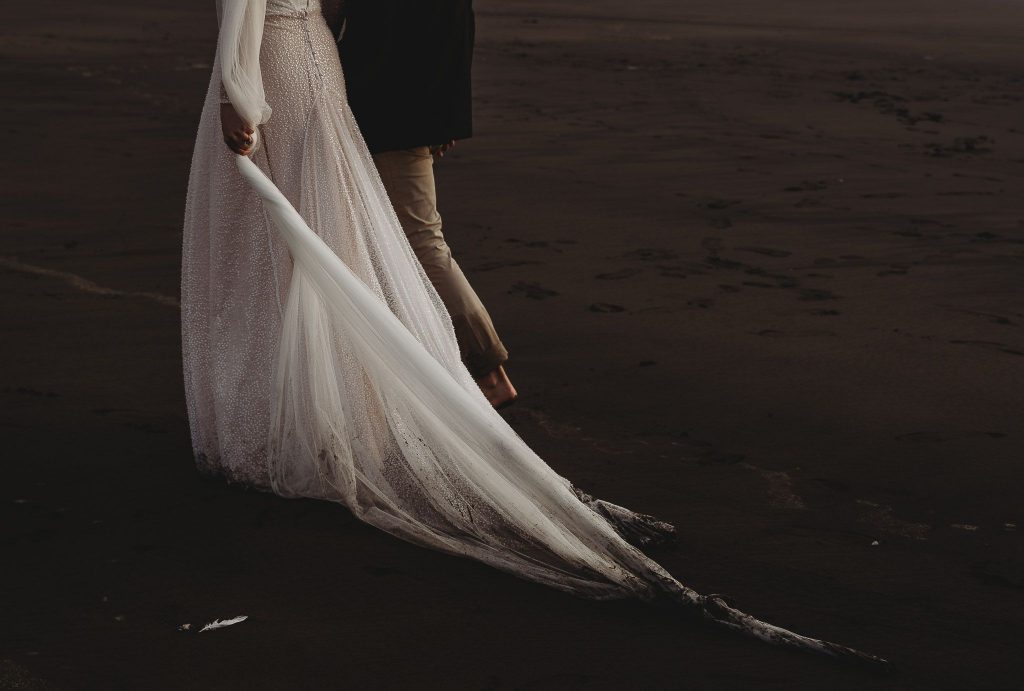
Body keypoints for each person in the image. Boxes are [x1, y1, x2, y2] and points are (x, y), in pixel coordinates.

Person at [181, 0, 883, 664]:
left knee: (338, 245)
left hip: (286, 64)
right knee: (339, 241)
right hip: (319, 64)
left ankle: (437, 378)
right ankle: (351, 393)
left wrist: (238, 93)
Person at [333, 0, 517, 408]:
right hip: (410, 113)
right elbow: (457, 28)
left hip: (383, 117)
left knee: (421, 242)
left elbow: (367, 40)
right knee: (393, 240)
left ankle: (489, 370)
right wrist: (443, 117)